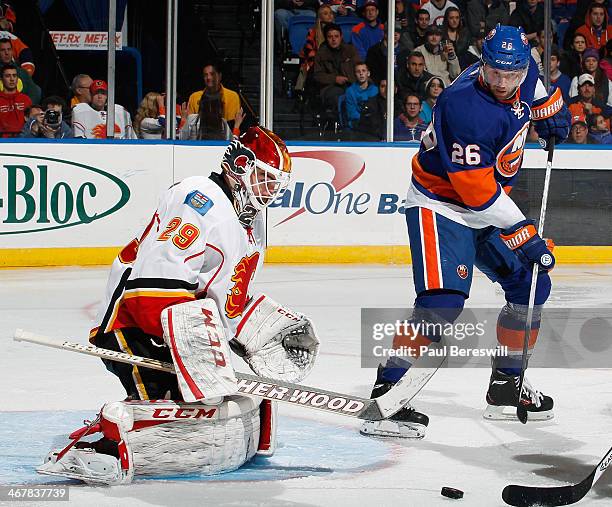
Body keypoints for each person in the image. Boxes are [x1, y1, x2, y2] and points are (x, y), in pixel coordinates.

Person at [37, 125, 320, 485]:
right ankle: (98, 442)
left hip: (179, 331)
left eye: (276, 183)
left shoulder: (250, 224)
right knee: (173, 407)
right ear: (240, 165)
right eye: (264, 178)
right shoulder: (200, 198)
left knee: (204, 403)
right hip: (132, 327)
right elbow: (153, 284)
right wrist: (197, 351)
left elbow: (225, 299)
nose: (271, 191)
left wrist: (254, 331)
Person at [360, 24, 571, 439]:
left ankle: (507, 385)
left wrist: (550, 113)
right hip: (442, 206)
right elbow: (475, 192)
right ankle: (387, 391)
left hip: (487, 209)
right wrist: (523, 231)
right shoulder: (464, 106)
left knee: (531, 286)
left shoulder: (520, 71)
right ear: (483, 64)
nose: (503, 83)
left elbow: (539, 89)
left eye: (512, 75)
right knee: (442, 304)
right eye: (494, 74)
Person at [314, 23, 360, 113]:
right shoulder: (321, 54)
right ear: (326, 38)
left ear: (341, 36)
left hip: (350, 84)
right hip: (330, 87)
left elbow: (359, 68)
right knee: (340, 96)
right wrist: (334, 79)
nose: (333, 39)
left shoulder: (350, 50)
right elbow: (317, 76)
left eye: (336, 36)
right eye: (330, 37)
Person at [72, 79, 137, 139]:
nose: (100, 96)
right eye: (96, 93)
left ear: (107, 96)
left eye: (103, 93)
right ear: (91, 95)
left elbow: (132, 139)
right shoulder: (81, 111)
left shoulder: (120, 112)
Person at [180, 94, 245, 140]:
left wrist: (183, 120)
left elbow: (181, 139)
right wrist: (236, 126)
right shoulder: (222, 122)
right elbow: (232, 145)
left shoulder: (222, 122)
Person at [299, 4, 335, 80]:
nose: (329, 15)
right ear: (320, 18)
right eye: (325, 13)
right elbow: (309, 52)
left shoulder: (337, 32)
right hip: (316, 67)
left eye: (331, 13)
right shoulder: (312, 33)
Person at [0, 38, 40, 103]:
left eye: (9, 49)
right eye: (2, 50)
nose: (6, 53)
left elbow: (34, 92)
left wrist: (26, 107)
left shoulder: (22, 72)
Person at [344, 62, 378, 128]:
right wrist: (366, 119)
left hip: (373, 123)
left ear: (368, 73)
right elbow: (351, 113)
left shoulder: (376, 90)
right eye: (358, 71)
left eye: (363, 71)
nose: (361, 73)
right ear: (355, 74)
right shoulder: (350, 91)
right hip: (357, 124)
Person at [0, 62, 30, 137]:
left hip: (23, 140)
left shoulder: (26, 99)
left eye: (14, 76)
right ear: (1, 79)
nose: (12, 79)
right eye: (7, 76)